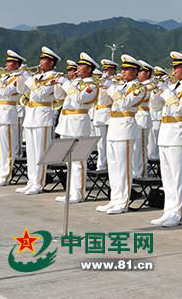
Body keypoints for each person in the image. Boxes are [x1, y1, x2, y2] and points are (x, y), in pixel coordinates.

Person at [150, 51, 182, 228]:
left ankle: (178, 213)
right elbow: (156, 108)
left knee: (178, 178)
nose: (174, 70)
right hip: (165, 133)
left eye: (177, 67)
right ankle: (168, 211)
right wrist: (157, 94)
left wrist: (167, 92)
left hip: (179, 133)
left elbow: (179, 109)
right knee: (167, 177)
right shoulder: (175, 87)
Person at [97, 54, 145, 215]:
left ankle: (123, 201)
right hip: (113, 127)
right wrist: (104, 88)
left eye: (127, 69)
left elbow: (125, 104)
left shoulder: (139, 88)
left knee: (123, 168)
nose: (123, 72)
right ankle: (114, 199)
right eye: (122, 69)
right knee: (113, 167)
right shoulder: (120, 86)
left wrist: (112, 90)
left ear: (135, 71)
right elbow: (103, 102)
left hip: (125, 127)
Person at [17, 47, 66, 195]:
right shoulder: (37, 77)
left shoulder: (54, 77)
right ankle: (31, 181)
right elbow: (24, 92)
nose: (40, 63)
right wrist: (21, 78)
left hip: (43, 117)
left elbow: (39, 94)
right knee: (31, 153)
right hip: (31, 116)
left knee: (40, 153)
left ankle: (39, 182)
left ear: (51, 62)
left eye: (43, 60)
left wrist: (30, 80)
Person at [54, 53, 99, 203]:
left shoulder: (91, 85)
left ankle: (78, 194)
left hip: (78, 124)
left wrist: (66, 84)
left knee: (78, 161)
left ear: (89, 69)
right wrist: (58, 84)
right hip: (66, 123)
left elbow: (80, 98)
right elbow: (59, 97)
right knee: (69, 161)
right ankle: (70, 192)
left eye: (81, 66)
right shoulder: (75, 83)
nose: (77, 68)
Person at [0, 50, 26, 186]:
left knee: (7, 147)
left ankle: (5, 175)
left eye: (9, 62)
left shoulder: (18, 78)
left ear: (16, 64)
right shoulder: (5, 77)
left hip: (7, 114)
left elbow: (4, 92)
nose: (6, 64)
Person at [93, 59, 118, 171]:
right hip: (98, 114)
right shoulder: (100, 81)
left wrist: (108, 83)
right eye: (104, 70)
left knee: (108, 143)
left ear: (113, 70)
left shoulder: (115, 82)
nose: (106, 72)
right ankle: (101, 165)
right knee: (100, 143)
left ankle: (106, 165)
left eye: (108, 69)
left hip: (108, 114)